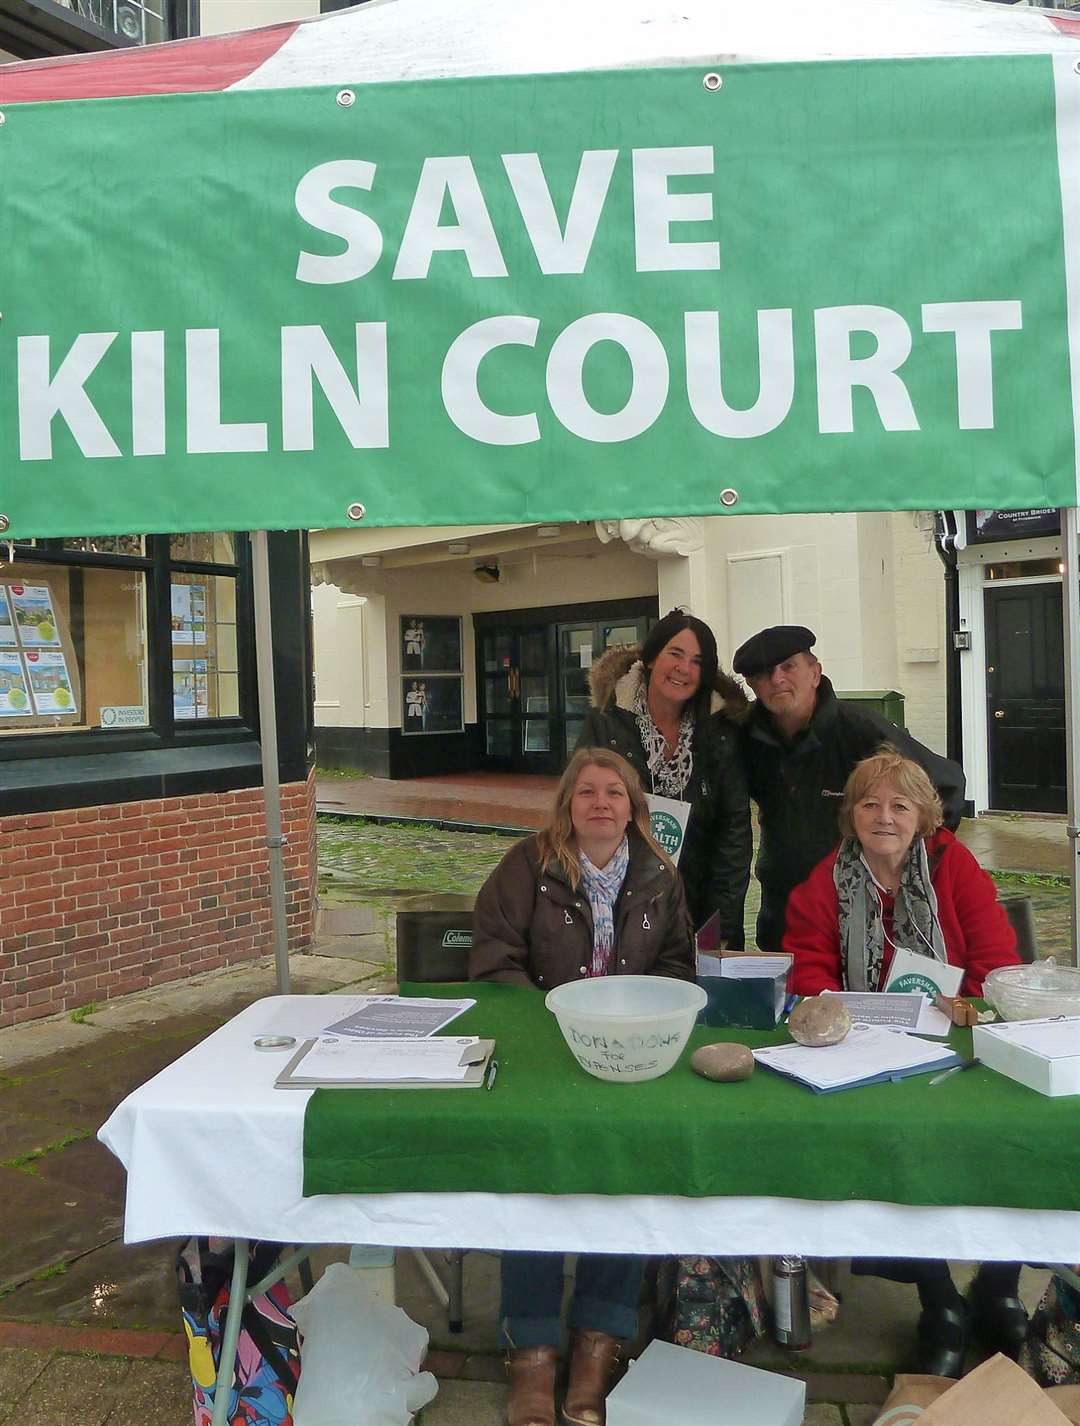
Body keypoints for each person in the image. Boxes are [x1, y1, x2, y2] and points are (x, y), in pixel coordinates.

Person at [470, 748, 695, 1426]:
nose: (601, 803)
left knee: (622, 1176)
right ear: (568, 804)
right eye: (588, 792)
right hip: (547, 1053)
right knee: (538, 1177)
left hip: (632, 1057)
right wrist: (548, 1022)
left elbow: (680, 966)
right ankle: (532, 1348)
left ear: (633, 806)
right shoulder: (524, 868)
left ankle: (599, 1338)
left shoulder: (660, 875)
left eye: (615, 793)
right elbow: (494, 962)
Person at [785, 748, 1023, 1376]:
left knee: (1004, 1138)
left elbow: (997, 959)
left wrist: (967, 1006)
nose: (884, 817)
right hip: (869, 1050)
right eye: (869, 803)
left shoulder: (956, 867)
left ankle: (997, 1287)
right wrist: (831, 1008)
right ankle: (938, 1299)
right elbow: (807, 965)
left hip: (958, 1039)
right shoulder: (825, 881)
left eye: (900, 804)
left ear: (924, 815)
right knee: (903, 1148)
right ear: (851, 816)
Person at [733, 624, 965, 952]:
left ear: (815, 673)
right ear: (753, 686)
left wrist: (910, 865)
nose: (777, 679)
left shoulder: (862, 731)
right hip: (783, 909)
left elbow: (945, 786)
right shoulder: (744, 739)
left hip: (859, 910)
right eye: (763, 674)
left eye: (789, 667)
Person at [576, 609, 751, 944]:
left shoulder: (721, 732)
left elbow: (734, 833)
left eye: (698, 661)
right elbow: (580, 810)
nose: (684, 669)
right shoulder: (607, 723)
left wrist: (722, 924)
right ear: (652, 657)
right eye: (675, 654)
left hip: (696, 900)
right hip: (617, 903)